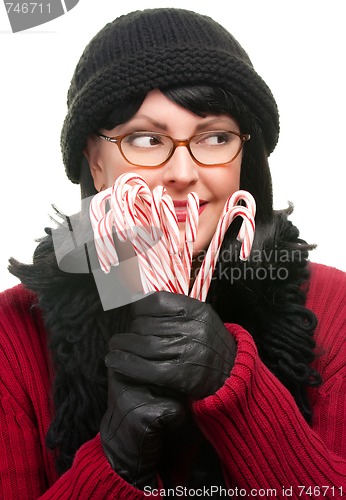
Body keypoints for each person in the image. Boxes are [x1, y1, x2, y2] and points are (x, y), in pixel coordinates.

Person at [1, 8, 345, 499]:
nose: (182, 171)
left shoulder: (334, 308)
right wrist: (115, 461)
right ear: (94, 163)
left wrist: (239, 393)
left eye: (215, 137)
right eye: (146, 139)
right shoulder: (12, 334)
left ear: (247, 159)